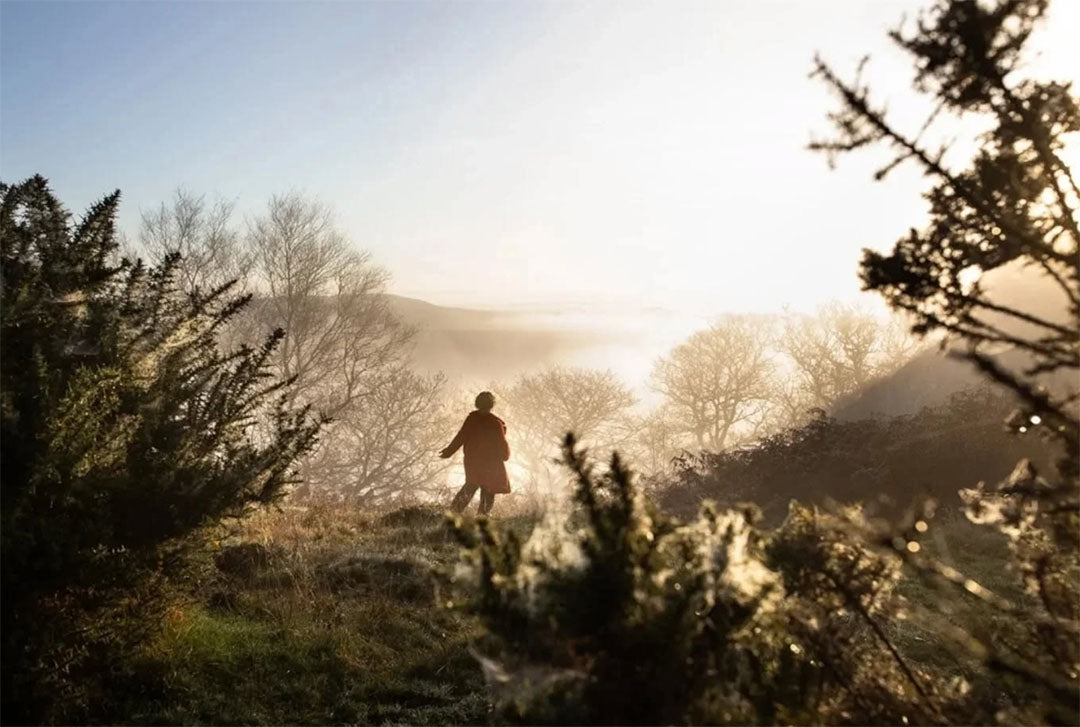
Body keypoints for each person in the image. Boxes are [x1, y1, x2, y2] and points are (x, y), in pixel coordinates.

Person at [441, 391, 510, 514]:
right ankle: (482, 517)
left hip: (472, 461)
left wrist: (449, 451)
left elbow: (461, 436)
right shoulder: (495, 423)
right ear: (492, 405)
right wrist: (505, 455)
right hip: (490, 462)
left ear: (477, 403)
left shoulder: (471, 419)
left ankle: (453, 513)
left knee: (471, 485)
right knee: (488, 489)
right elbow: (502, 443)